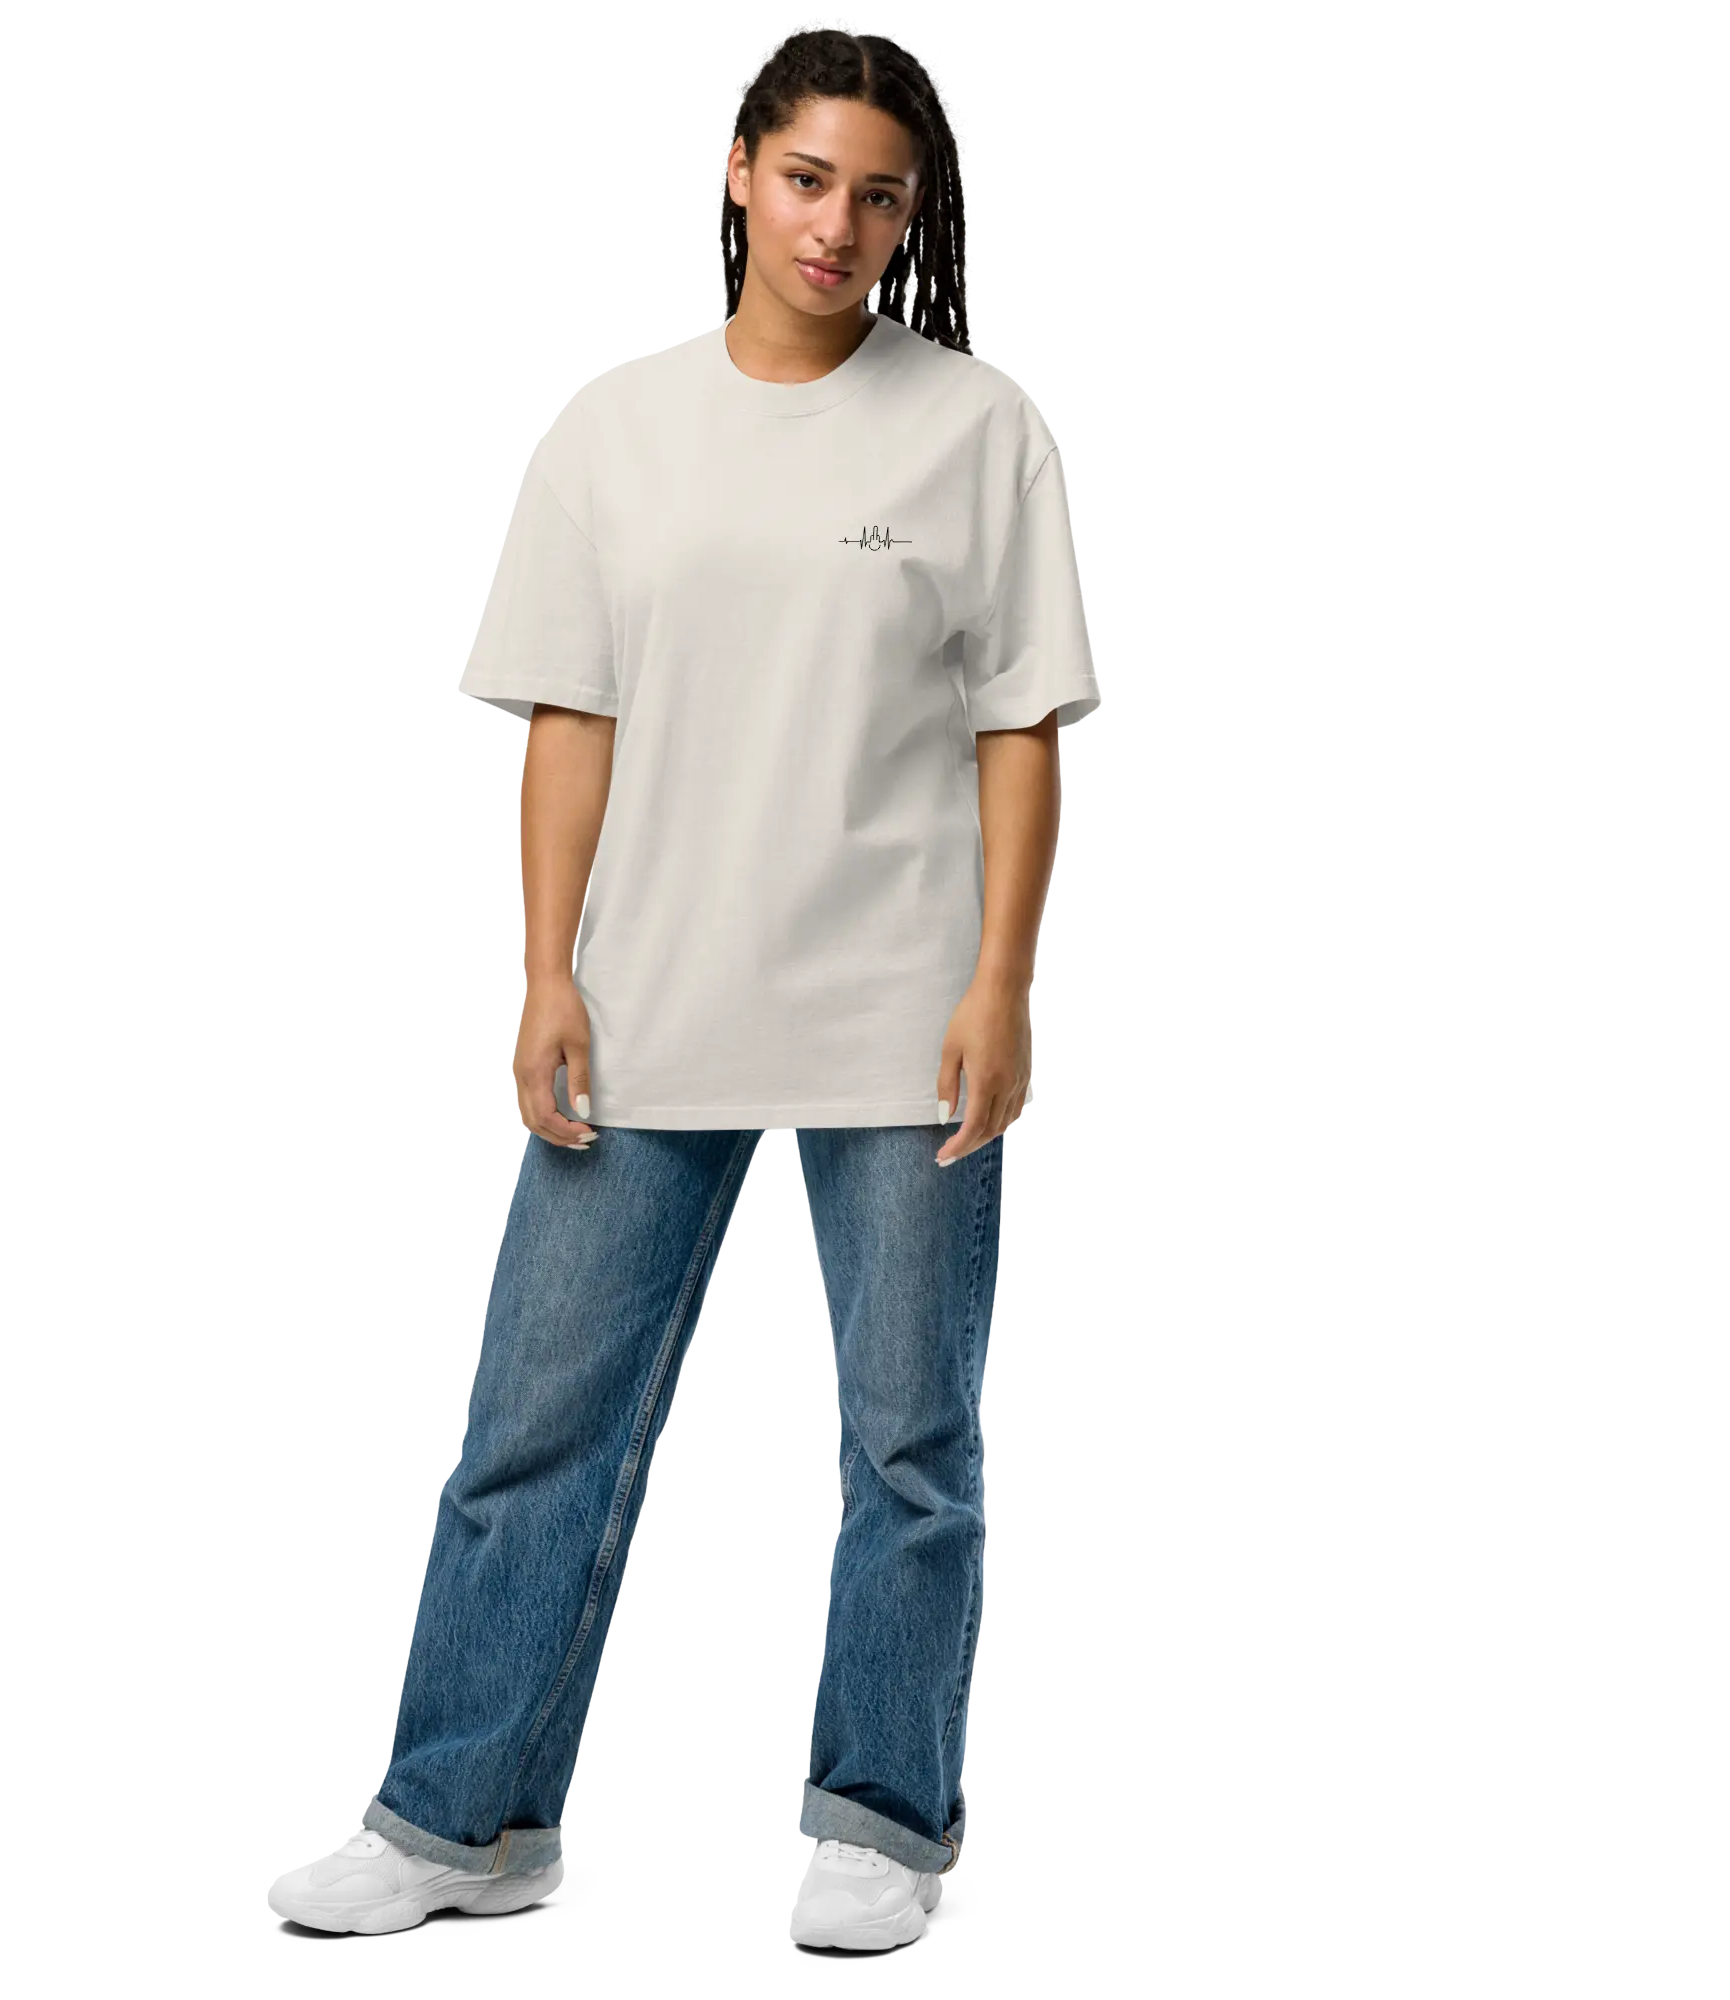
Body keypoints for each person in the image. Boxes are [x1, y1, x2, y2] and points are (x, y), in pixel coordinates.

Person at [264, 20, 1102, 1949]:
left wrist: (1004, 983)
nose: (837, 227)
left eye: (879, 197)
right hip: (648, 994)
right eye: (807, 179)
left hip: (900, 1002)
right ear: (738, 172)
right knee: (532, 1431)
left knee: (913, 1443)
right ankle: (461, 1817)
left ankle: (879, 1819)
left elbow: (1020, 728)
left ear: (915, 217)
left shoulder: (984, 428)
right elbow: (570, 716)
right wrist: (544, 977)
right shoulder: (614, 424)